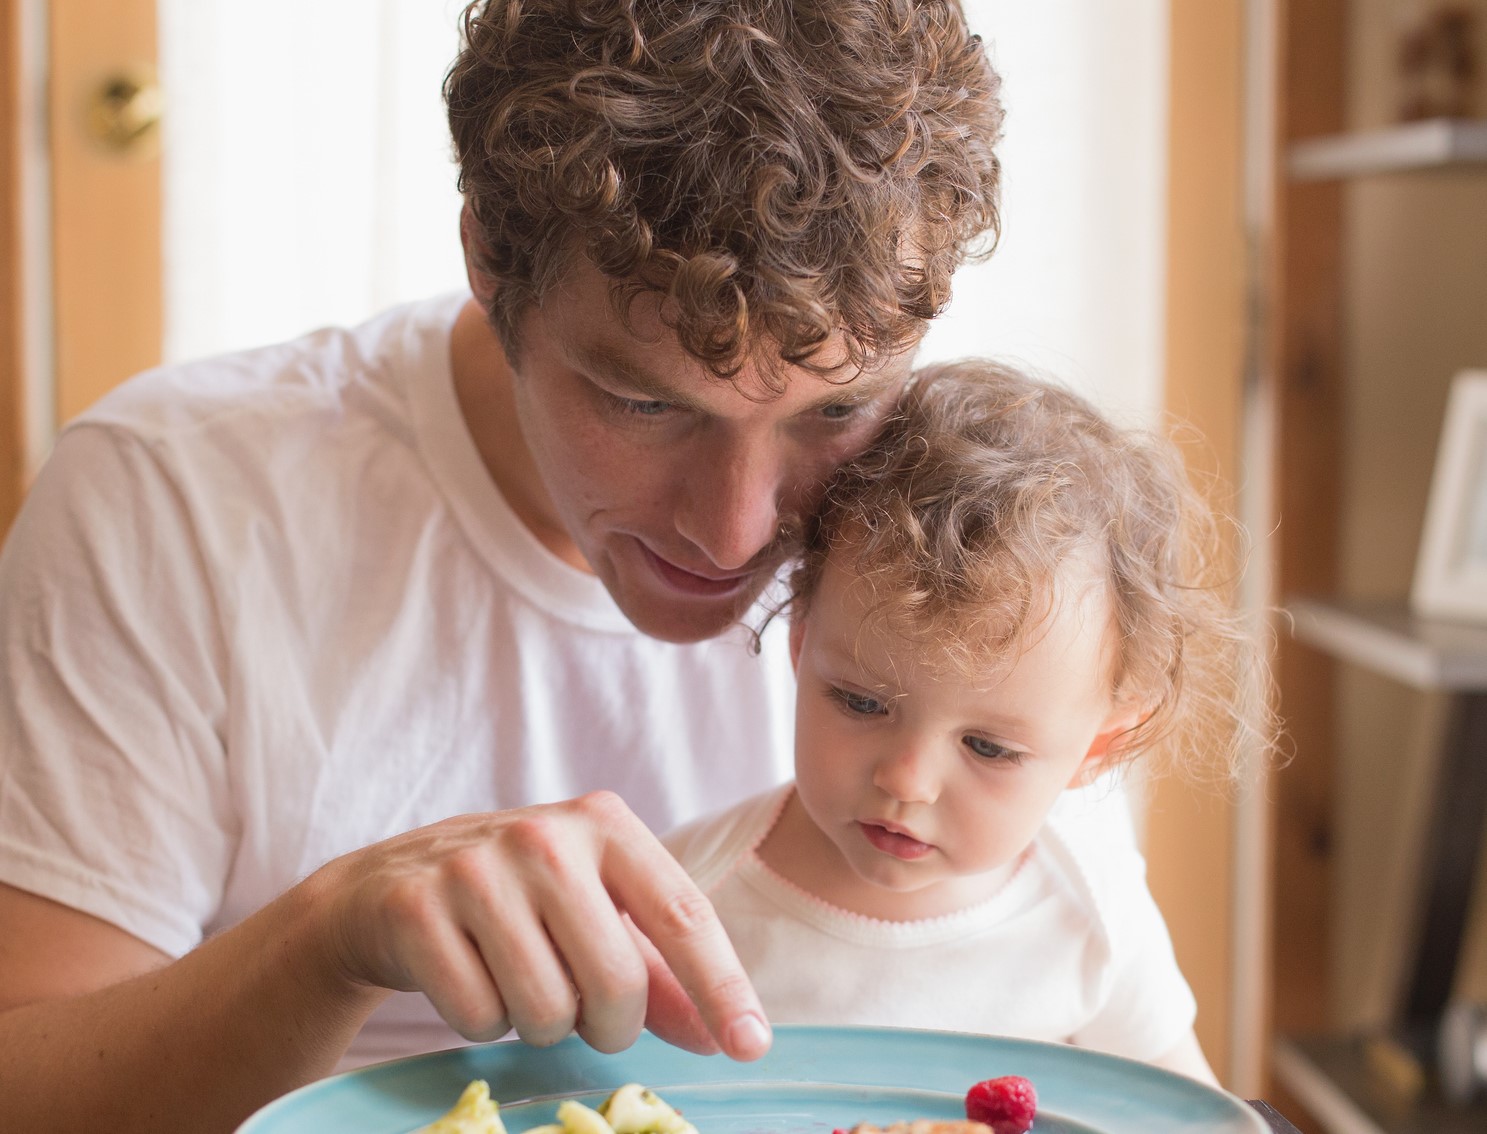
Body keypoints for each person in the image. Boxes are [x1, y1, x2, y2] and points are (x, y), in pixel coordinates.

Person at [0, 1, 1008, 1130]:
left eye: (836, 409)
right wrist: (332, 938)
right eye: (643, 403)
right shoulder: (176, 497)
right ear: (488, 256)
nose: (734, 537)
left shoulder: (962, 531)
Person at [666, 360, 1275, 1086]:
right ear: (800, 644)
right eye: (860, 702)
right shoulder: (686, 898)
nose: (905, 779)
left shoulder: (1088, 916)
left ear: (1097, 746)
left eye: (987, 747)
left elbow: (1190, 1116)